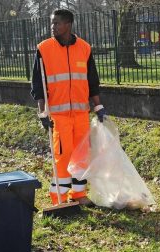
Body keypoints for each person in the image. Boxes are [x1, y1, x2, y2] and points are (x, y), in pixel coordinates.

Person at [30, 9, 106, 206]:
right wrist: (42, 112)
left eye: (57, 23)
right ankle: (59, 198)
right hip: (59, 115)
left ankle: (78, 194)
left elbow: (92, 81)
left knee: (81, 155)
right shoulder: (44, 49)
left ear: (68, 24)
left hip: (81, 113)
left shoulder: (85, 48)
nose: (52, 27)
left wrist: (98, 107)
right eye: (52, 23)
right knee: (63, 156)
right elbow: (38, 85)